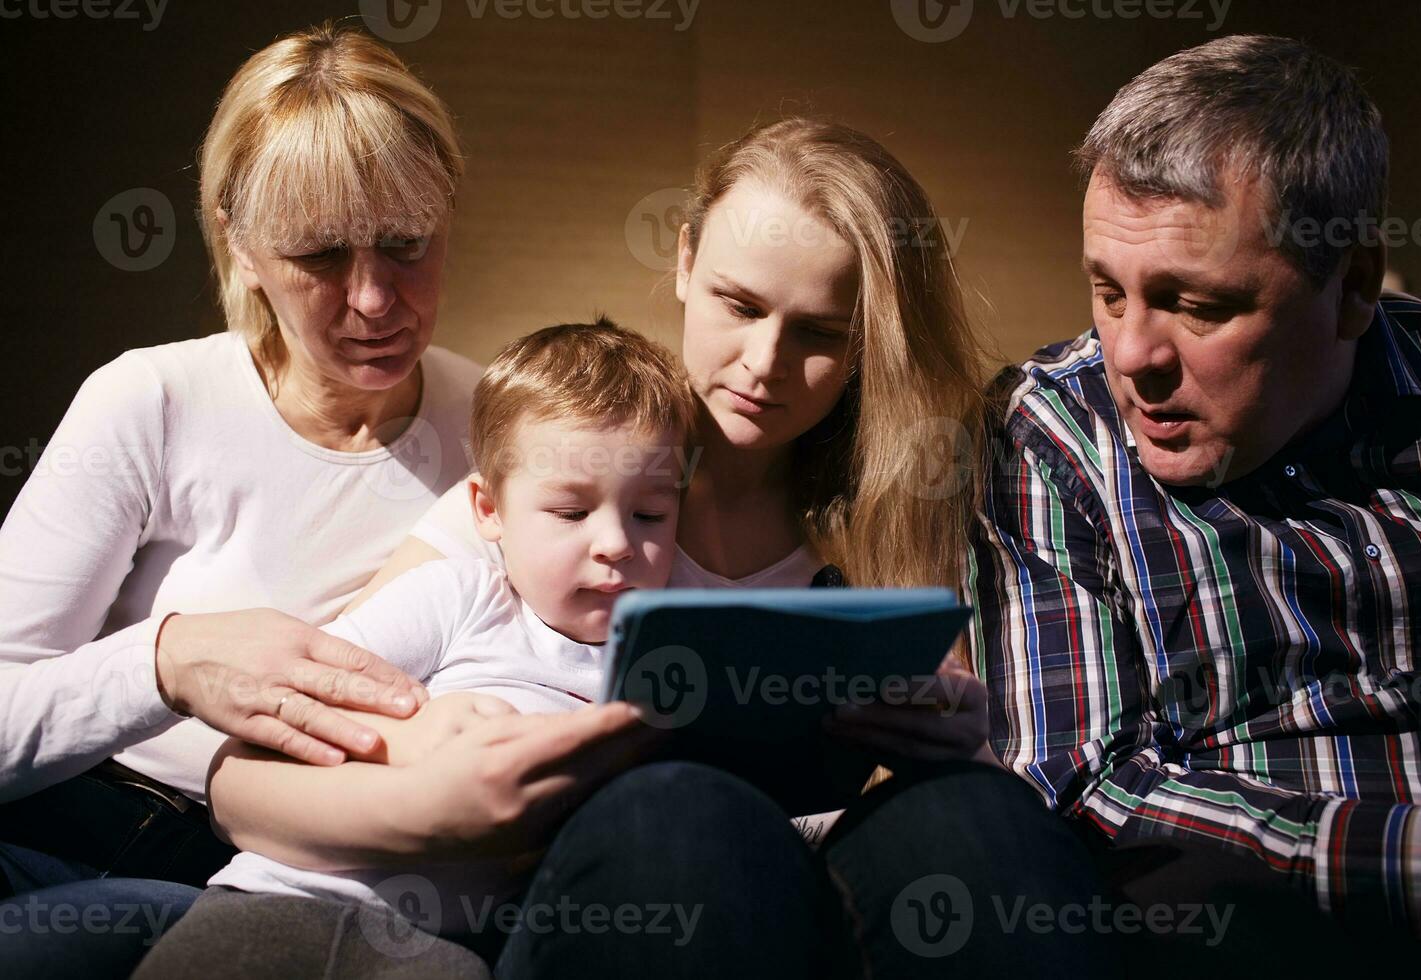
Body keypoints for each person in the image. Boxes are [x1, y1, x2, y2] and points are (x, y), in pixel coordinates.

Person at [202, 118, 1121, 978]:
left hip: (796, 883)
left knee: (981, 816)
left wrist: (952, 742)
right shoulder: (565, 474)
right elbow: (247, 784)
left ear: (866, 342)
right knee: (683, 812)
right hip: (610, 885)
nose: (763, 363)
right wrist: (432, 801)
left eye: (817, 333)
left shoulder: (885, 521)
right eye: (737, 303)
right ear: (684, 261)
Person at [0, 22, 649, 977]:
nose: (376, 299)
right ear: (240, 242)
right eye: (319, 256)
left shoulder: (511, 434)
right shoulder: (154, 400)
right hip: (91, 831)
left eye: (406, 245)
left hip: (330, 878)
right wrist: (167, 660)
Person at [969, 34, 1421, 972]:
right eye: (1107, 292)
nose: (1131, 355)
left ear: (1354, 283)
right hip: (1257, 924)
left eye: (1197, 307)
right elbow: (1081, 784)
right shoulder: (1053, 429)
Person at [134, 318, 693, 977]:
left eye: (650, 514)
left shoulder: (661, 671)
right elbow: (291, 707)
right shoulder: (462, 597)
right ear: (488, 510)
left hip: (445, 949)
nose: (616, 543)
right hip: (274, 899)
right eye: (571, 512)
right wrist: (415, 737)